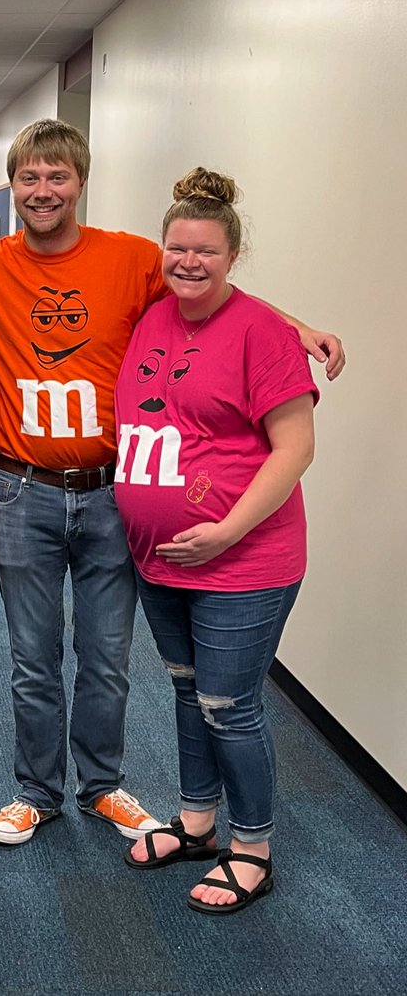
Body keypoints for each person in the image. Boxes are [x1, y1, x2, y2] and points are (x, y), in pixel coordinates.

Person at [0, 119, 343, 848]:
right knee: (32, 656)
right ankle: (37, 791)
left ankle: (101, 785)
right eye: (29, 177)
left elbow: (213, 288)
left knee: (106, 656)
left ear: (81, 182)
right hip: (21, 487)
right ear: (12, 186)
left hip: (109, 493)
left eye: (57, 176)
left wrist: (297, 326)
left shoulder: (129, 257)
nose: (42, 190)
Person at [115, 168, 316, 914]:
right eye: (177, 248)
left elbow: (295, 447)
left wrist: (226, 530)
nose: (189, 262)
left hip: (244, 560)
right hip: (161, 559)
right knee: (187, 690)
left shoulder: (262, 332)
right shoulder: (153, 317)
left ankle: (252, 848)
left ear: (233, 255)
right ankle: (197, 822)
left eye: (205, 251)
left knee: (229, 703)